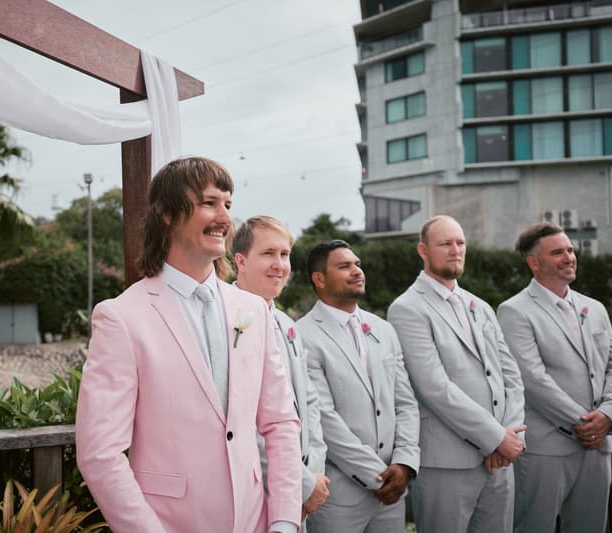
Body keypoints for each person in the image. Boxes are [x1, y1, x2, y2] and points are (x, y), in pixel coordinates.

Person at [75, 157, 302, 533]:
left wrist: (282, 521)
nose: (224, 218)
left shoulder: (253, 310)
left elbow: (280, 423)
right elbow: (100, 454)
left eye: (227, 205)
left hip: (255, 522)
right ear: (166, 213)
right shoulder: (121, 317)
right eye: (209, 203)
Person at [387, 215, 525, 533]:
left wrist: (510, 438)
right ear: (423, 250)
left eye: (460, 243)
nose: (455, 250)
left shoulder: (480, 306)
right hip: (446, 464)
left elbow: (510, 377)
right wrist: (493, 438)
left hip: (500, 463)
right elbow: (433, 387)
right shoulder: (407, 308)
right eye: (445, 244)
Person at [497, 222, 612, 533]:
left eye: (570, 250)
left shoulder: (596, 309)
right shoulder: (514, 311)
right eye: (557, 252)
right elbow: (532, 379)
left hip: (598, 447)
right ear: (534, 262)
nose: (568, 257)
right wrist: (585, 424)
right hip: (545, 449)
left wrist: (608, 416)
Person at [298, 239, 420, 533]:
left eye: (357, 264)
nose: (357, 271)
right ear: (319, 279)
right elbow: (324, 418)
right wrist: (377, 476)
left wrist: (404, 463)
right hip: (339, 496)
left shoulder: (383, 330)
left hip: (392, 492)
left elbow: (405, 402)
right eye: (344, 266)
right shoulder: (302, 334)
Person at [233, 216, 330, 525]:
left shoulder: (287, 324)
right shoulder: (229, 322)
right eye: (268, 253)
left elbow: (310, 404)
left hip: (300, 486)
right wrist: (300, 485)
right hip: (253, 490)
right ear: (240, 261)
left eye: (284, 255)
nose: (279, 264)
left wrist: (314, 476)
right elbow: (242, 422)